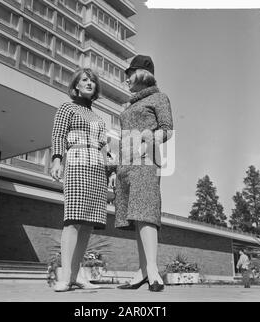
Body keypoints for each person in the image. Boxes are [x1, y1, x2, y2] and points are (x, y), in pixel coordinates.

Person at [115, 55, 173, 292]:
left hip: (147, 158)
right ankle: (141, 271)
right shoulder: (127, 107)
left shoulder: (159, 98)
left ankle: (152, 269)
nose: (126, 79)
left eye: (129, 74)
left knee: (145, 211)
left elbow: (167, 129)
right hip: (125, 163)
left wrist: (151, 137)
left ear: (142, 74)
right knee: (136, 215)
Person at [50, 68, 108, 292]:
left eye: (92, 80)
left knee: (87, 224)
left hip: (96, 168)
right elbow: (58, 134)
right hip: (76, 163)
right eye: (84, 80)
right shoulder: (67, 108)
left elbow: (103, 147)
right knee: (73, 219)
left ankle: (76, 275)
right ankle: (65, 276)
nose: (89, 83)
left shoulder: (99, 119)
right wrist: (57, 160)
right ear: (75, 85)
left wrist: (109, 172)